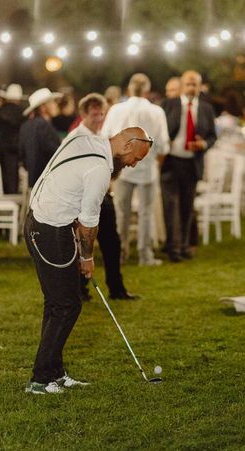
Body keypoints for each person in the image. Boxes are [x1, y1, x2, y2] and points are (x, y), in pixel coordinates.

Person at [23, 125, 152, 394]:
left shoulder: (85, 139)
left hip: (42, 222)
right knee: (67, 306)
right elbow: (89, 223)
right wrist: (87, 257)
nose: (132, 165)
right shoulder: (100, 169)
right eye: (136, 159)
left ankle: (55, 373)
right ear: (127, 145)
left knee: (58, 304)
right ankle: (40, 379)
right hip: (49, 229)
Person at [73, 92, 139, 300]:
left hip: (103, 195)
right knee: (83, 244)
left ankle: (116, 287)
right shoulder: (76, 138)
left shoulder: (102, 136)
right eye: (95, 115)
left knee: (112, 243)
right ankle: (80, 288)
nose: (99, 118)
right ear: (83, 114)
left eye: (102, 114)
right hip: (85, 198)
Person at [102, 73, 170, 266]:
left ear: (129, 89)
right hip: (147, 168)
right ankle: (145, 255)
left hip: (122, 168)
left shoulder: (116, 110)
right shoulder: (156, 112)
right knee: (146, 212)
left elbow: (106, 137)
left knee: (121, 212)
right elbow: (164, 145)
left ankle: (120, 253)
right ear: (147, 90)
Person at [161, 70, 217, 262]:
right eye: (188, 84)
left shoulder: (207, 109)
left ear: (200, 87)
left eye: (195, 84)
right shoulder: (170, 104)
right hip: (170, 162)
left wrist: (203, 144)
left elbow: (212, 136)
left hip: (192, 163)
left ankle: (184, 246)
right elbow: (159, 131)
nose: (192, 88)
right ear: (182, 85)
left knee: (187, 207)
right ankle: (172, 248)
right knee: (170, 206)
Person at [0, 83, 25, 194]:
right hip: (16, 149)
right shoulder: (23, 112)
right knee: (13, 177)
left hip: (1, 148)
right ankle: (12, 197)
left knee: (2, 175)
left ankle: (2, 196)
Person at [18, 88, 62, 187]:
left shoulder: (26, 125)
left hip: (34, 181)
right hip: (48, 181)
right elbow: (55, 153)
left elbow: (21, 152)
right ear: (43, 107)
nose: (56, 105)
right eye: (52, 102)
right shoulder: (44, 125)